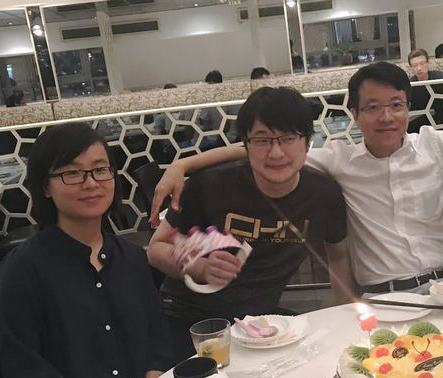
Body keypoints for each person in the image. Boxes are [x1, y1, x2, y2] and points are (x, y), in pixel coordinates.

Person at [149, 62, 443, 296]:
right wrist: (185, 164)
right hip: (385, 300)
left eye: (396, 105)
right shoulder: (337, 159)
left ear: (408, 109)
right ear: (354, 114)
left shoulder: (437, 145)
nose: (386, 117)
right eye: (372, 107)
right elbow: (273, 149)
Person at [0, 123, 174, 378]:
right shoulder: (24, 270)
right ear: (45, 186)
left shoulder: (132, 259)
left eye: (100, 169)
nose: (91, 183)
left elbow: (157, 346)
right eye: (72, 173)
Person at [147, 87, 352, 360]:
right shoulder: (210, 185)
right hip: (191, 320)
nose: (276, 153)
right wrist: (200, 266)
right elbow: (155, 248)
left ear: (306, 142)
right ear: (246, 144)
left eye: (288, 138)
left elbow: (338, 257)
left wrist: (348, 319)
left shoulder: (323, 194)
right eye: (262, 140)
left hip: (257, 322)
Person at [407, 49, 443, 133]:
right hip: (421, 123)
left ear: (428, 63)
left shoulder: (440, 77)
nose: (419, 68)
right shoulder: (410, 85)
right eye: (415, 65)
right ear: (411, 68)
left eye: (422, 64)